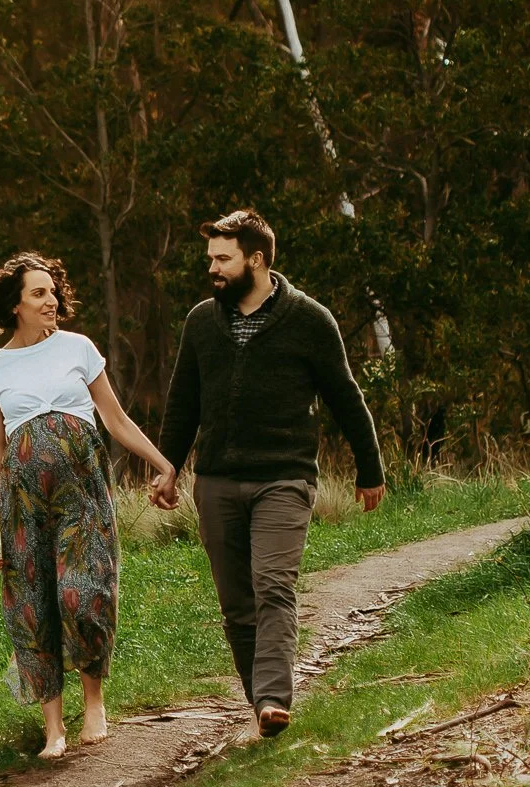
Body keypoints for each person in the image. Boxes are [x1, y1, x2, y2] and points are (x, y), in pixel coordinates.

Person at [156, 209, 385, 739]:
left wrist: (369, 470)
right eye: (210, 258)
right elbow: (181, 403)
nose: (212, 268)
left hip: (285, 476)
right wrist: (168, 469)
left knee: (273, 585)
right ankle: (260, 701)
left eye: (222, 258)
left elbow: (346, 398)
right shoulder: (201, 322)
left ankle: (275, 698)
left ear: (255, 260)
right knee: (237, 605)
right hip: (215, 481)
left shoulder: (309, 319)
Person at [0, 253, 178, 761]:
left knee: (81, 594)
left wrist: (164, 464)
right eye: (38, 293)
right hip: (22, 504)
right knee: (33, 604)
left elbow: (116, 420)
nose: (52, 301)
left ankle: (94, 707)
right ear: (15, 304)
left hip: (82, 494)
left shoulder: (78, 348)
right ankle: (53, 729)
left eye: (53, 291)